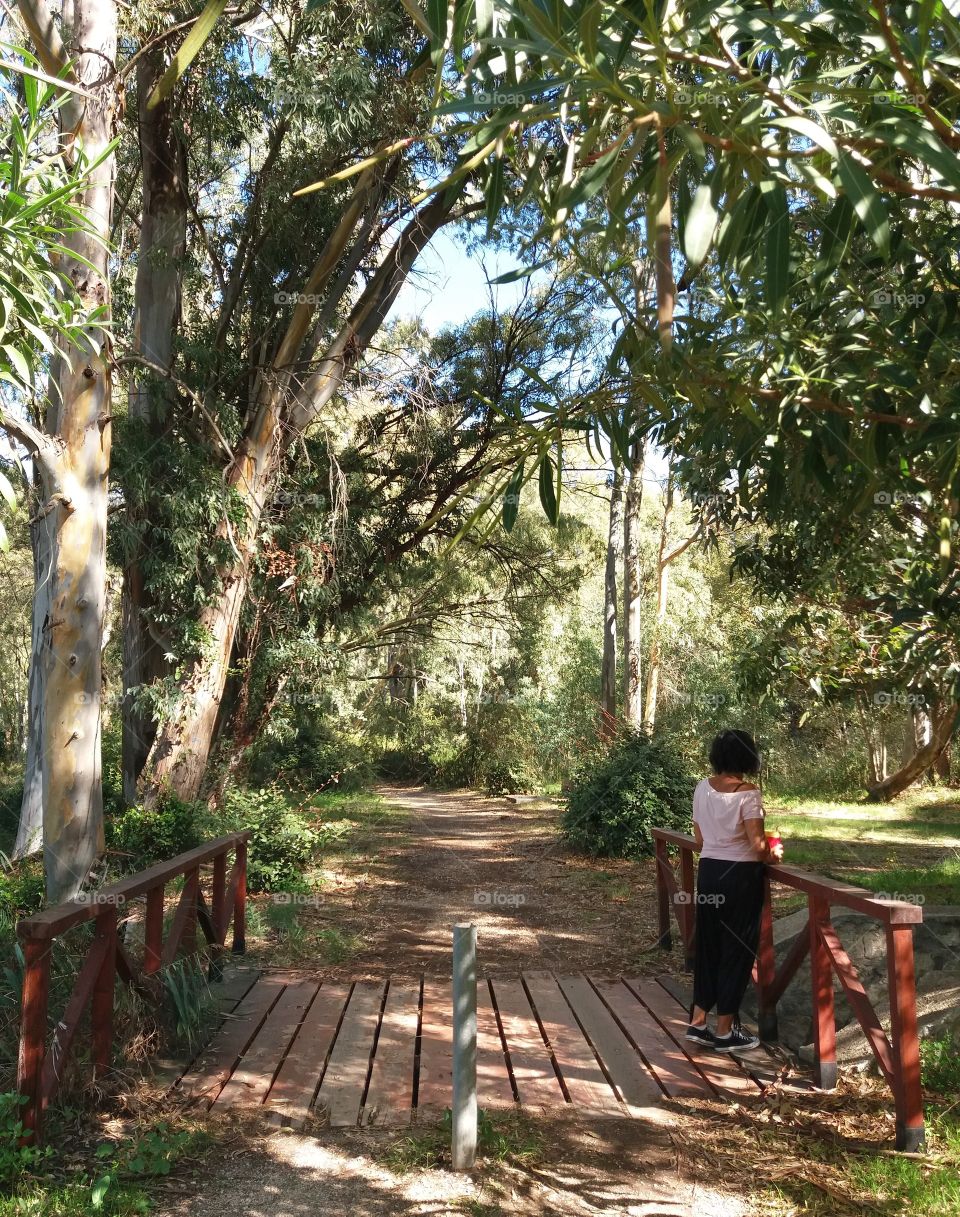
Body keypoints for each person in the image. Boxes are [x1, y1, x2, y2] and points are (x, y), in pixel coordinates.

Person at [685, 728, 784, 1053]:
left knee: (710, 946)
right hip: (740, 878)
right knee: (737, 950)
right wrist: (774, 853)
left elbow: (699, 842)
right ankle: (725, 1031)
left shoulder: (702, 788)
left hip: (710, 873)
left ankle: (698, 1023)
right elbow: (757, 847)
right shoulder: (748, 792)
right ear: (748, 757)